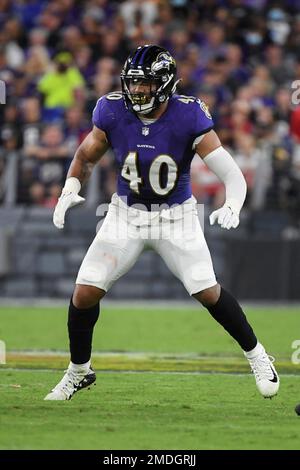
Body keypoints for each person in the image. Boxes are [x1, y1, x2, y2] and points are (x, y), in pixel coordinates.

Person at [44, 45, 279, 401]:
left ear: (165, 84)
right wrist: (70, 188)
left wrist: (233, 202)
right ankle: (79, 370)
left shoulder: (189, 115)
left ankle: (258, 355)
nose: (137, 91)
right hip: (125, 214)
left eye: (146, 84)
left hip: (176, 216)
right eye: (133, 83)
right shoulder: (111, 109)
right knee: (85, 290)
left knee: (206, 290)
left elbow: (231, 173)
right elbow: (85, 155)